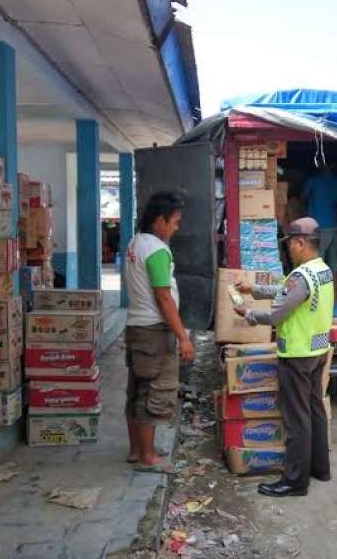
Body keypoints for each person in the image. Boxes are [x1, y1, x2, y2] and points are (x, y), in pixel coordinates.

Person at [233, 217, 333, 497]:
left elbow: (278, 313)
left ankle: (295, 481)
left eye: (290, 243)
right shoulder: (322, 270)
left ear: (301, 243)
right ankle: (320, 468)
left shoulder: (301, 276)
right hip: (318, 349)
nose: (288, 248)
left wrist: (249, 314)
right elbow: (286, 293)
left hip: (297, 354)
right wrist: (253, 289)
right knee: (314, 410)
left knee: (296, 418)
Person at [124, 191, 195, 471]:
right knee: (153, 393)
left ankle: (138, 450)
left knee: (137, 390)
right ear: (158, 220)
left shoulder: (135, 243)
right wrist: (183, 337)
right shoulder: (156, 250)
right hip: (153, 331)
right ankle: (147, 457)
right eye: (174, 222)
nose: (176, 228)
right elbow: (163, 297)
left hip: (137, 327)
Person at [301, 165, 337, 296]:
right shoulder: (336, 182)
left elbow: (302, 196)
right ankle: (334, 294)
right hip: (333, 225)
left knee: (318, 261)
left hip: (318, 225)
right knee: (334, 263)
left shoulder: (312, 181)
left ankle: (320, 293)